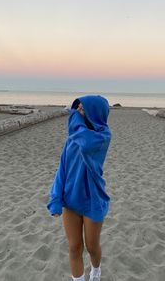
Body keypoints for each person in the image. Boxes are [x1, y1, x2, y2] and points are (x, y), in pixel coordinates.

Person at [47, 95, 111, 281]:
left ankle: (96, 271)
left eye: (83, 109)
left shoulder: (103, 136)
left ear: (95, 112)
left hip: (93, 200)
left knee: (92, 246)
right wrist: (56, 198)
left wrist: (74, 116)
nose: (78, 112)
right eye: (78, 108)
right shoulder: (72, 139)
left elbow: (85, 142)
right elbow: (62, 169)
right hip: (71, 199)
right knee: (74, 246)